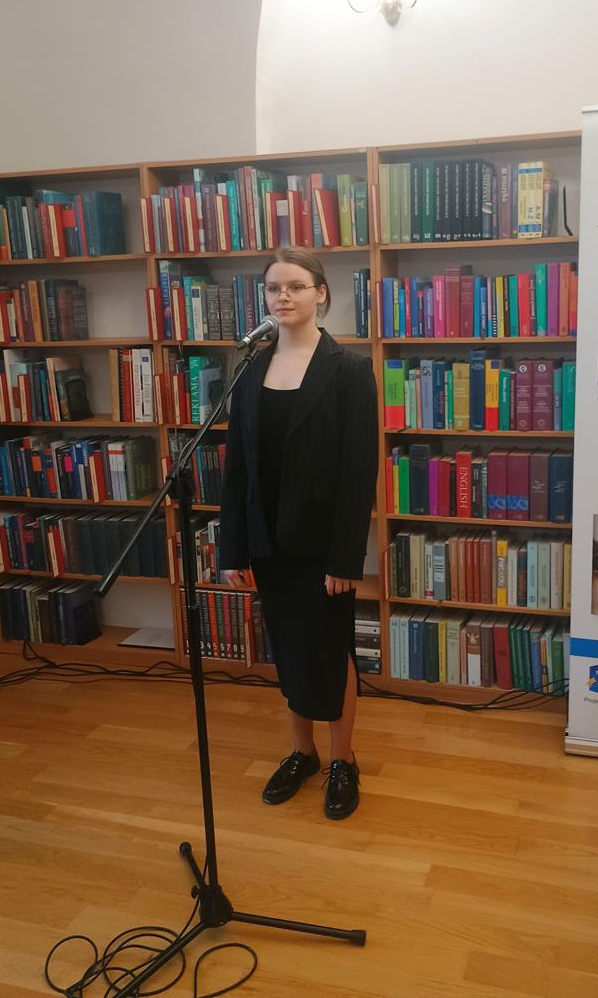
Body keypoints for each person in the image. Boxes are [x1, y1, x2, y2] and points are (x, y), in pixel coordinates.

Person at [219, 246, 378, 819]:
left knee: (331, 651)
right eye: (273, 288)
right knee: (286, 647)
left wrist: (344, 558)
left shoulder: (349, 369)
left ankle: (343, 760)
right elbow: (237, 467)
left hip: (322, 545)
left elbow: (359, 472)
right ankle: (302, 753)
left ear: (321, 294)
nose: (282, 296)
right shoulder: (250, 369)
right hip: (267, 539)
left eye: (295, 286)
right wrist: (232, 547)